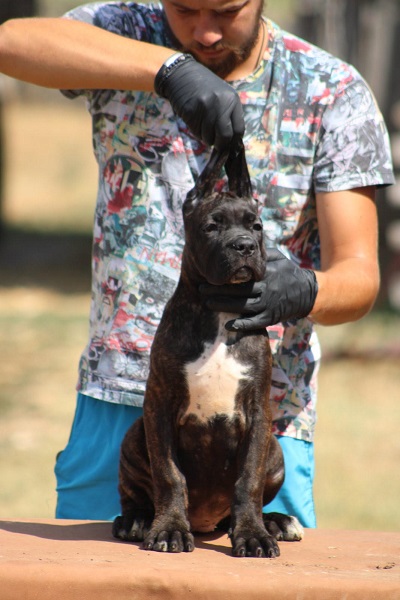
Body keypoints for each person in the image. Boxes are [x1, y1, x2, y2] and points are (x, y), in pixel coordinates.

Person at [0, 1, 394, 528]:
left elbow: (361, 277)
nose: (205, 32)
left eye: (226, 11)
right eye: (185, 8)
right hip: (123, 411)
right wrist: (165, 69)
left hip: (261, 423)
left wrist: (304, 290)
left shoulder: (330, 90)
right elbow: (11, 42)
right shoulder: (127, 32)